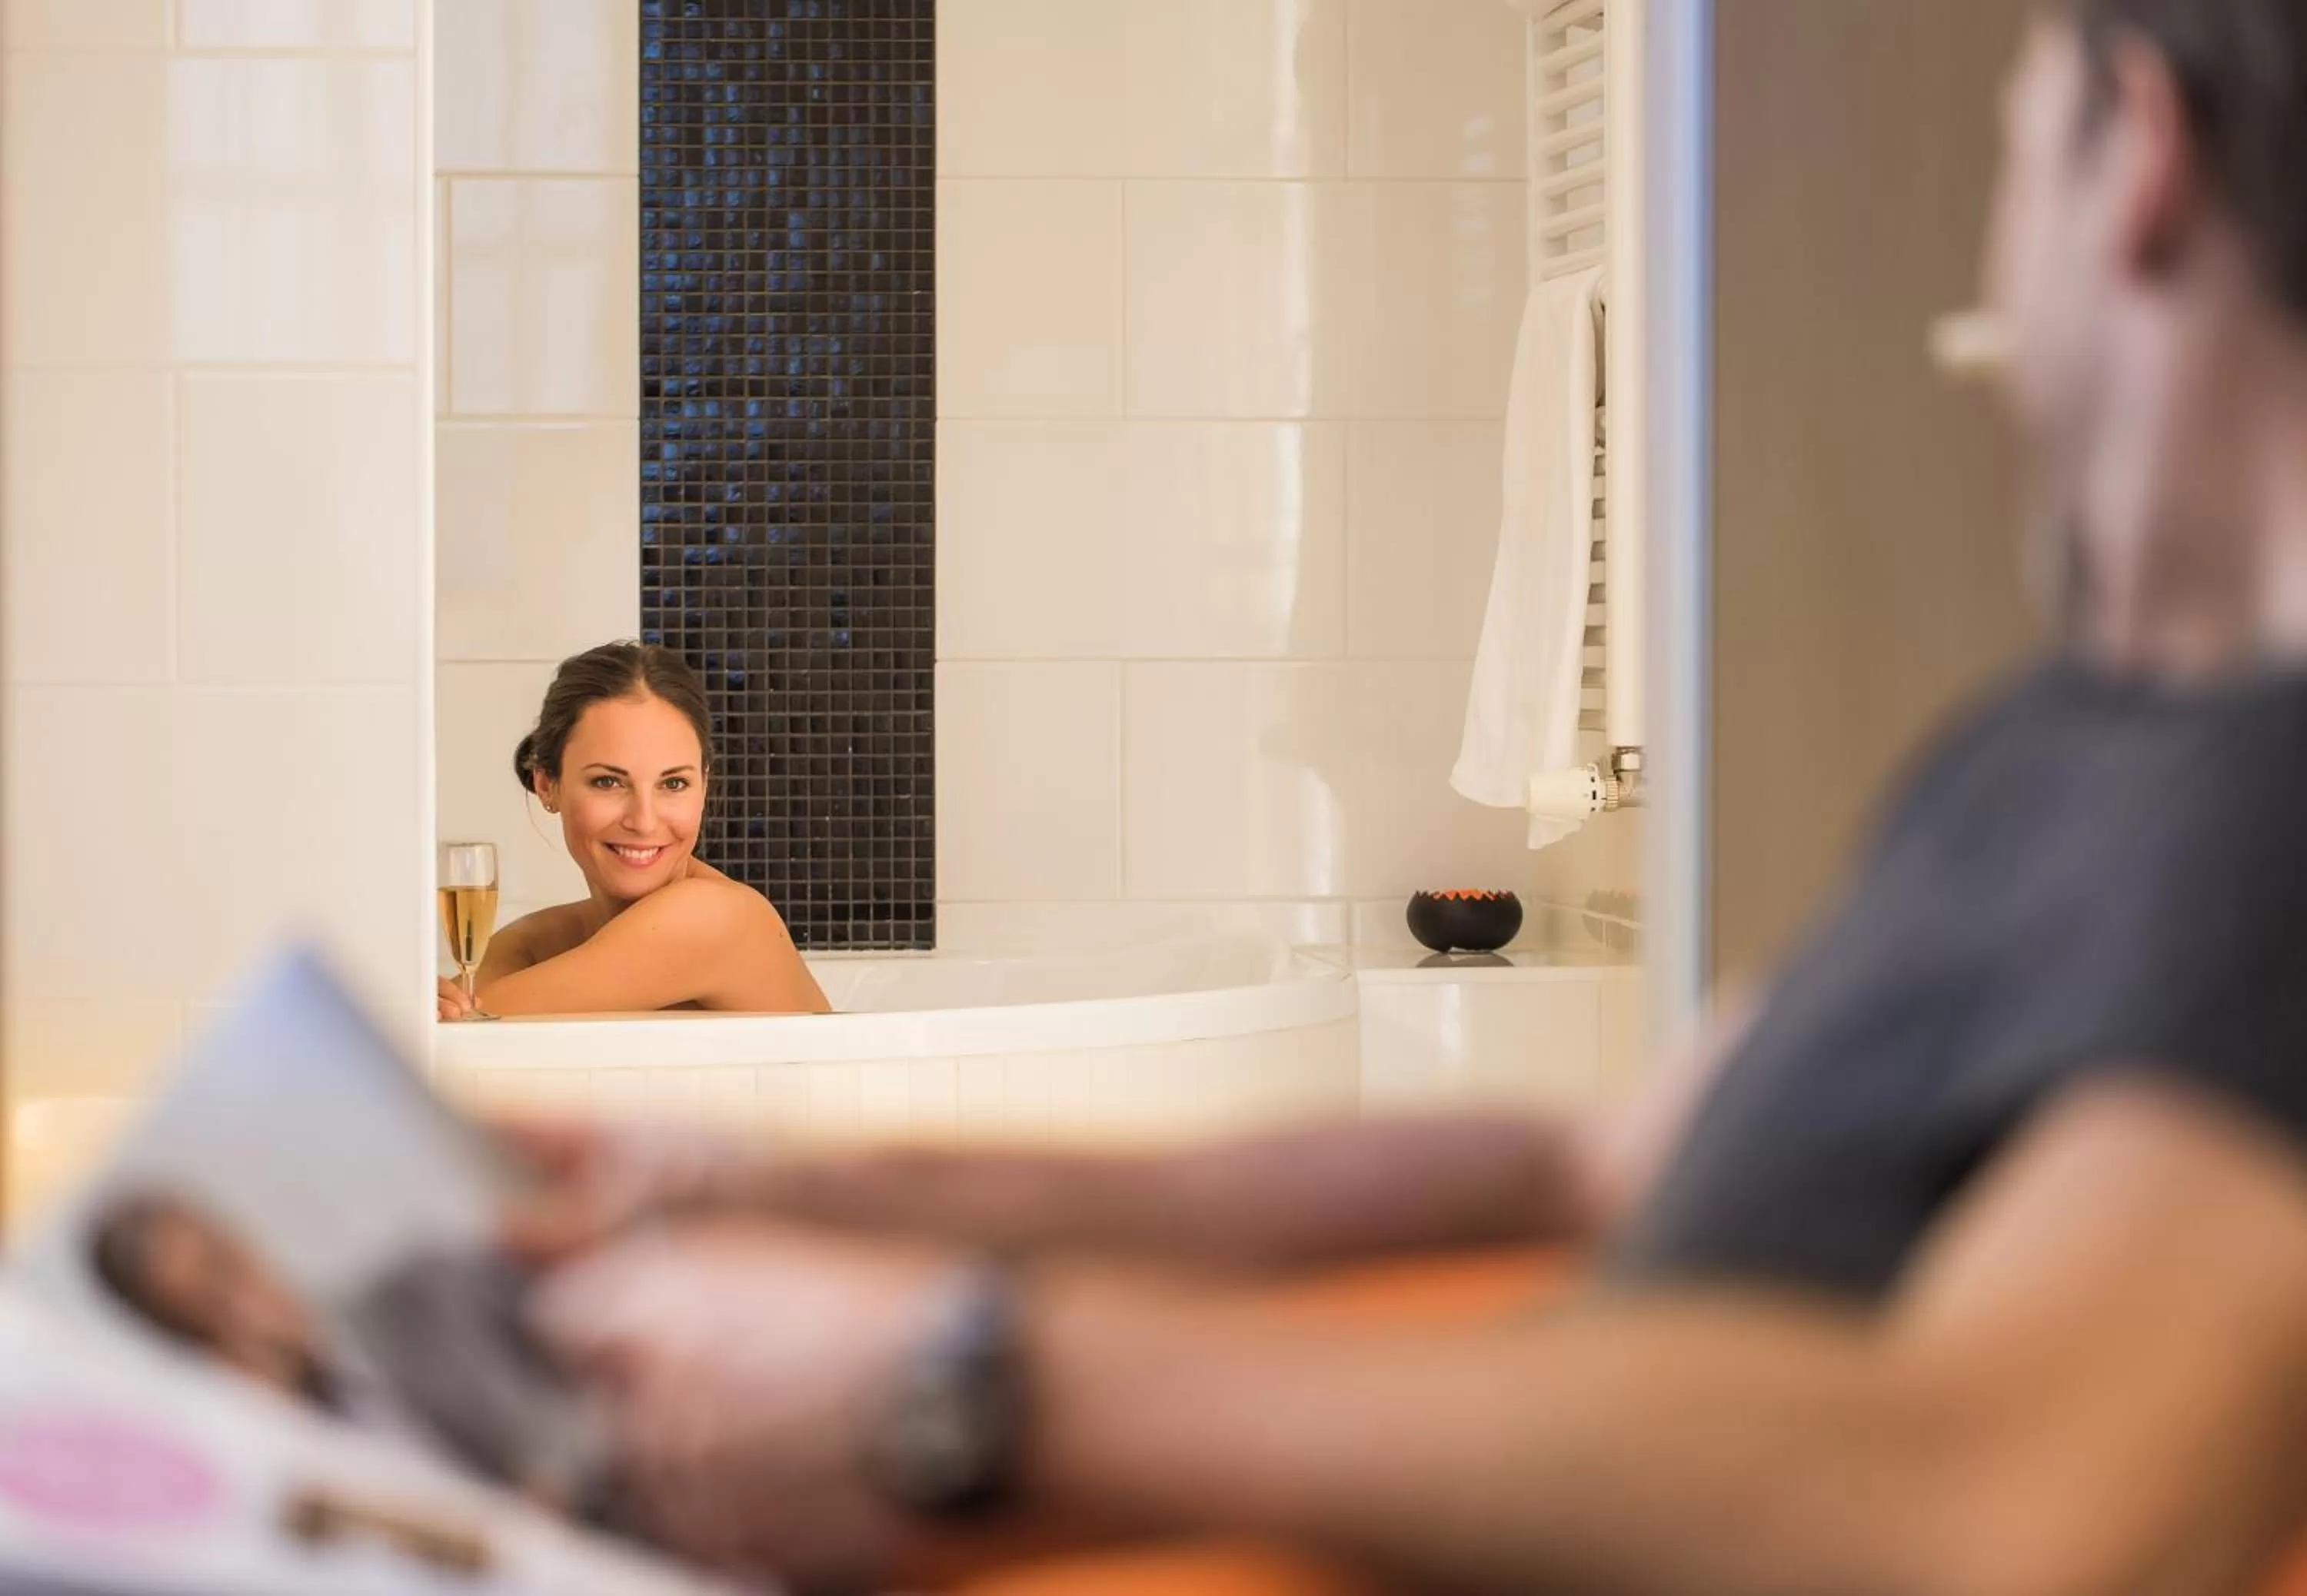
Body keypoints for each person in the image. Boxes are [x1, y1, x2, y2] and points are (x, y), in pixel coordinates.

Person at [508, 2, 2307, 1591]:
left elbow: (1993, 1507)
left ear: (2138, 160)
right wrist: (812, 1204)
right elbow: (1570, 1158)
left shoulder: (2271, 811)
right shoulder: (2042, 758)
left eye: (2010, 149)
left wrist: (967, 1374)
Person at [88, 1191, 621, 1522]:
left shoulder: (426, 1290)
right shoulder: (274, 1471)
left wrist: (543, 1500)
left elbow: (596, 1398)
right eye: (195, 1320)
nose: (235, 1314)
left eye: (222, 1273)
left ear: (241, 1241)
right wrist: (284, 1432)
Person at [436, 641, 829, 1020]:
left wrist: (429, 1007)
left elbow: (458, 1022)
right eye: (608, 782)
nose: (644, 821)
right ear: (547, 785)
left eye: (673, 783)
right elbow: (429, 1027)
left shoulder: (714, 919)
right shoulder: (540, 941)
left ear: (704, 785)